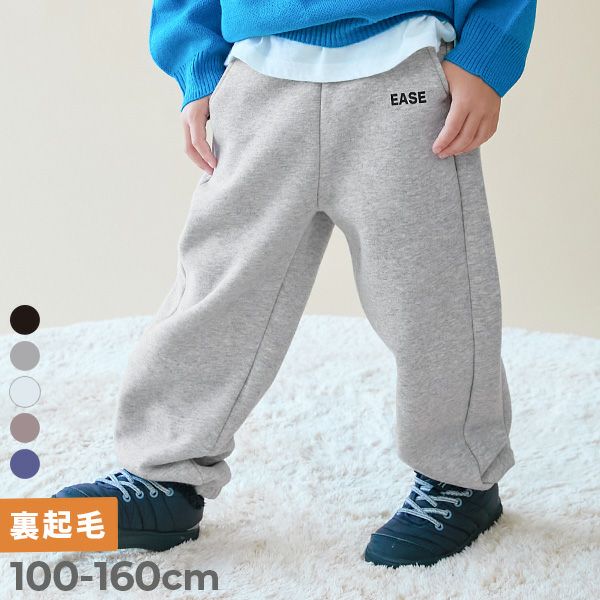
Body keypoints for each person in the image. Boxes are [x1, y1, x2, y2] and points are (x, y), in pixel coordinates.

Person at [55, 1, 536, 567]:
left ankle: (461, 478)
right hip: (258, 79)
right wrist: (198, 67)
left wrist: (483, 59)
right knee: (217, 288)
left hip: (404, 72)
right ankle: (163, 476)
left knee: (432, 292)